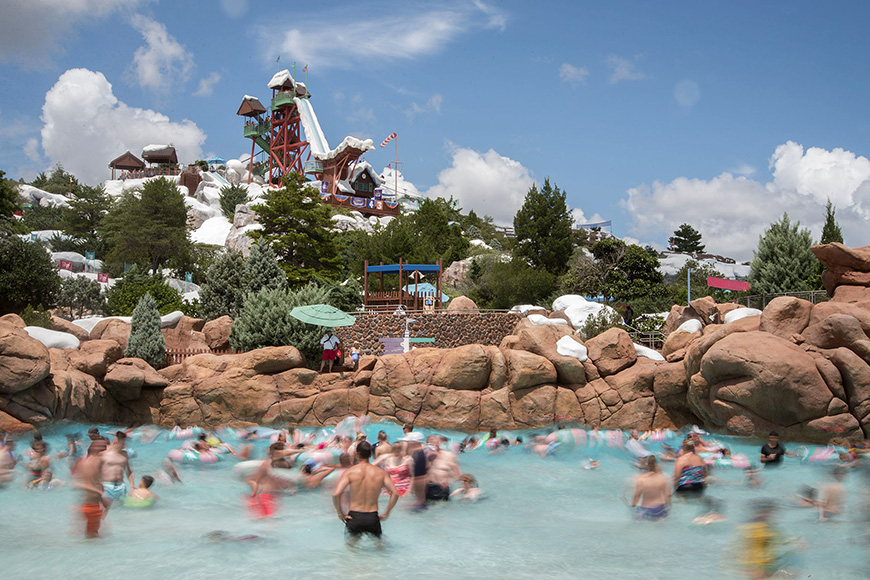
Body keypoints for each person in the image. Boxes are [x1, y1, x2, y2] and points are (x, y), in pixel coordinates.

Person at [332, 441, 399, 545]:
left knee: (351, 550)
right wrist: (386, 513)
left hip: (354, 517)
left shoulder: (349, 472)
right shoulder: (381, 473)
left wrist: (340, 513)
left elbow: (336, 494)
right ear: (371, 454)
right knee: (380, 547)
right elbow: (395, 493)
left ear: (357, 454)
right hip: (372, 517)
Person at [75, 439, 110, 538]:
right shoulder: (91, 463)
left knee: (93, 533)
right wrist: (101, 494)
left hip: (92, 504)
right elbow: (82, 484)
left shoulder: (92, 462)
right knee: (93, 535)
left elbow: (91, 483)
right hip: (91, 505)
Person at [631, 456, 671, 521]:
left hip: (646, 509)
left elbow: (637, 494)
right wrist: (668, 508)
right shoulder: (662, 478)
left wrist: (633, 506)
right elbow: (666, 495)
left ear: (647, 465)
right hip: (660, 509)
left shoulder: (641, 478)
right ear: (656, 465)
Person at [101, 431, 134, 509]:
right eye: (123, 442)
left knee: (122, 508)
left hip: (121, 486)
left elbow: (128, 470)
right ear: (116, 441)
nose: (125, 445)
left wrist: (132, 483)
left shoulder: (124, 454)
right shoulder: (103, 454)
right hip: (107, 486)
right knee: (106, 509)